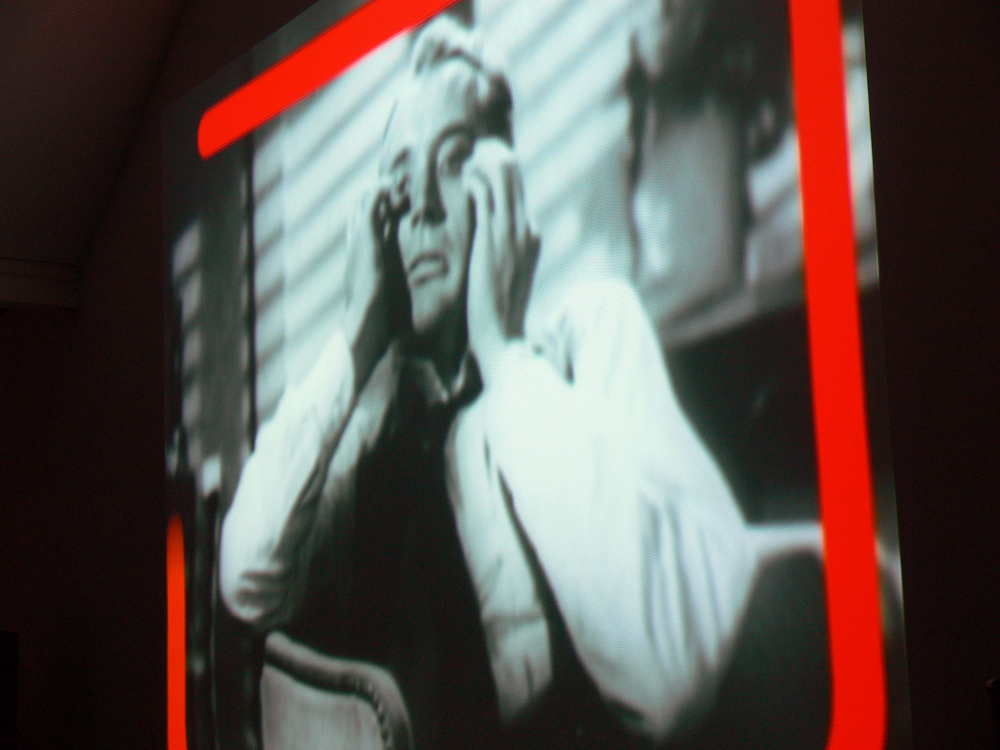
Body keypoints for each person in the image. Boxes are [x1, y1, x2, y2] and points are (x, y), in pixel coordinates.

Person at [219, 15, 822, 749]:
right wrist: (355, 337)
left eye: (451, 163)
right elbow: (246, 577)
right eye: (400, 185)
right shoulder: (373, 420)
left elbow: (672, 678)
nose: (425, 209)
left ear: (503, 183)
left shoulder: (586, 336)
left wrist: (502, 357)